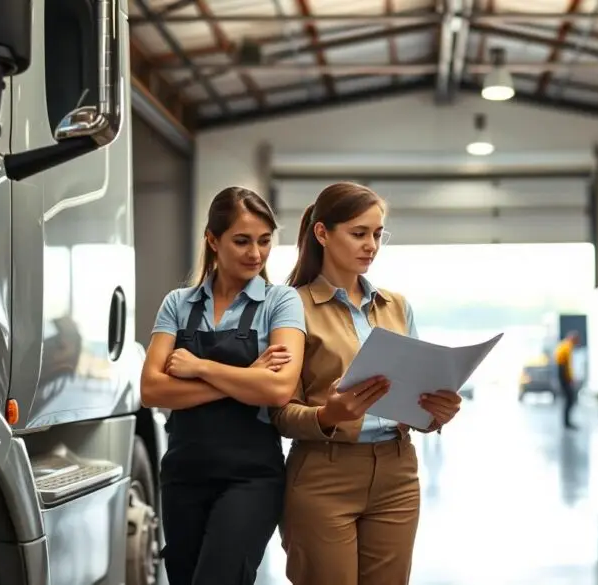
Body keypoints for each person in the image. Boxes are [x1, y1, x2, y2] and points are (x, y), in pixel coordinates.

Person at [272, 182, 464, 585]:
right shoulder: (291, 305)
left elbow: (416, 397)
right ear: (322, 233)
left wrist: (435, 414)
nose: (371, 245)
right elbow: (279, 412)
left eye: (378, 234)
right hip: (324, 473)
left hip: (397, 472)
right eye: (359, 233)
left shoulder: (396, 306)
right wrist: (328, 415)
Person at [140, 186, 306, 585]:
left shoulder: (279, 302)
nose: (256, 253)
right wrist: (249, 377)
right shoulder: (178, 303)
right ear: (213, 241)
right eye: (242, 241)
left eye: (265, 241)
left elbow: (279, 389)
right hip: (183, 474)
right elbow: (151, 390)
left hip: (251, 477)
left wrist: (199, 367)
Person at [554, 331, 580, 429]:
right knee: (569, 399)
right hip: (563, 374)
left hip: (561, 373)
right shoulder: (567, 347)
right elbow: (567, 365)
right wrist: (570, 378)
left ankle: (566, 422)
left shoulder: (563, 345)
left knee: (568, 399)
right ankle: (567, 422)